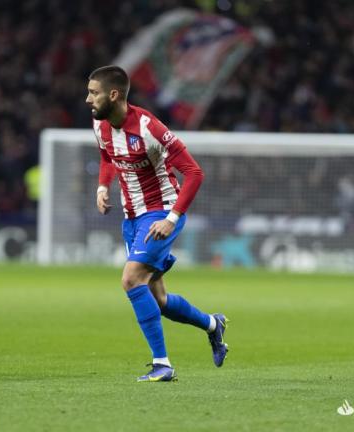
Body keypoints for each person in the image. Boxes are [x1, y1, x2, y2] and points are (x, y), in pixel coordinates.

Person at [86, 65, 229, 382]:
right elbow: (107, 158)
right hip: (132, 218)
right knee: (158, 300)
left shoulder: (149, 127)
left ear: (114, 94)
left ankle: (162, 364)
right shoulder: (101, 126)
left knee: (131, 279)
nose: (87, 99)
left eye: (93, 92)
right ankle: (212, 325)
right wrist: (101, 187)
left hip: (160, 212)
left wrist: (171, 218)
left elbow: (194, 173)